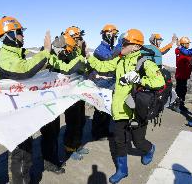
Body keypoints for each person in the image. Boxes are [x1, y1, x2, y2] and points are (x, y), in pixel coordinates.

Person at [0, 16, 84, 183]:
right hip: (16, 111)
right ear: (10, 35)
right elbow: (24, 71)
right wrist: (46, 51)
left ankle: (49, 163)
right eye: (20, 32)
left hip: (34, 104)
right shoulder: (5, 58)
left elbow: (61, 68)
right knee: (21, 152)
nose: (23, 36)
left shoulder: (20, 55)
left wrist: (78, 60)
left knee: (46, 135)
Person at [86, 29, 165, 184]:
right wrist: (88, 57)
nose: (121, 44)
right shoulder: (120, 60)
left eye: (125, 42)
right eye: (122, 42)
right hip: (120, 109)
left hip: (137, 111)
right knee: (119, 141)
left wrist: (139, 80)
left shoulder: (145, 62)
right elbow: (103, 66)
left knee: (138, 141)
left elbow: (159, 82)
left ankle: (149, 149)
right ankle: (122, 170)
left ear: (136, 47)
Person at [40, 33, 84, 174]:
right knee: (49, 134)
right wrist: (80, 58)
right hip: (45, 101)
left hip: (54, 100)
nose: (66, 54)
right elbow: (64, 69)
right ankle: (50, 163)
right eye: (65, 50)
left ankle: (52, 160)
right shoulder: (48, 56)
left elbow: (65, 68)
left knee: (54, 132)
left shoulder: (57, 55)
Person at [61, 26, 89, 160]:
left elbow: (81, 68)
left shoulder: (76, 50)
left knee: (81, 120)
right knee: (72, 121)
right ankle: (69, 148)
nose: (80, 40)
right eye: (77, 38)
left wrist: (82, 52)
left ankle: (77, 144)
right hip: (69, 92)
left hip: (79, 90)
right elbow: (68, 68)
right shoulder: (65, 51)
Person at [91, 24, 119, 141]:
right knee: (100, 109)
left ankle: (104, 130)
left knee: (107, 108)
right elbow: (108, 59)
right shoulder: (100, 49)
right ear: (108, 35)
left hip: (110, 82)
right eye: (114, 35)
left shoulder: (111, 48)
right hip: (101, 82)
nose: (116, 37)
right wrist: (121, 48)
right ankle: (97, 132)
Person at [175, 37, 192, 112]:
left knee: (183, 90)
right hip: (180, 75)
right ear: (183, 44)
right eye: (187, 43)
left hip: (183, 75)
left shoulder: (182, 51)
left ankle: (181, 105)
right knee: (180, 90)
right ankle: (177, 105)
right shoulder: (181, 52)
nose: (189, 45)